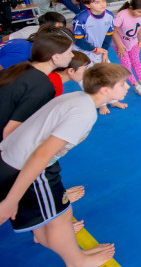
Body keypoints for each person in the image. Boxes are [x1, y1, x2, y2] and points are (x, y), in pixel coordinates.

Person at [0, 63, 130, 267]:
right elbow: (41, 154)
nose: (127, 87)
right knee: (60, 216)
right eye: (123, 84)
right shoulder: (84, 113)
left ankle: (45, 237)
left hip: (13, 157)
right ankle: (76, 261)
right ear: (105, 90)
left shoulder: (77, 98)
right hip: (28, 166)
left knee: (58, 213)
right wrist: (11, 199)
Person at [0, 27, 74, 141]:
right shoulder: (43, 86)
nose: (72, 55)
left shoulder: (21, 67)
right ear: (55, 57)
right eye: (69, 52)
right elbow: (10, 131)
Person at [72, 0, 126, 115]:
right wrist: (94, 49)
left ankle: (113, 100)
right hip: (82, 52)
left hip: (99, 50)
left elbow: (108, 36)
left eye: (103, 1)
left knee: (109, 75)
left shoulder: (109, 16)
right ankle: (100, 103)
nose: (102, 4)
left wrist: (105, 52)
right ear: (87, 5)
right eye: (97, 2)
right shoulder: (81, 19)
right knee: (87, 79)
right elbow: (78, 40)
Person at [112, 0, 141, 96]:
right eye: (139, 12)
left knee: (136, 62)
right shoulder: (121, 16)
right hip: (120, 44)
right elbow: (113, 32)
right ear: (131, 7)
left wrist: (140, 39)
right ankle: (136, 86)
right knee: (126, 64)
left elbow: (140, 25)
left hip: (133, 42)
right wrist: (120, 46)